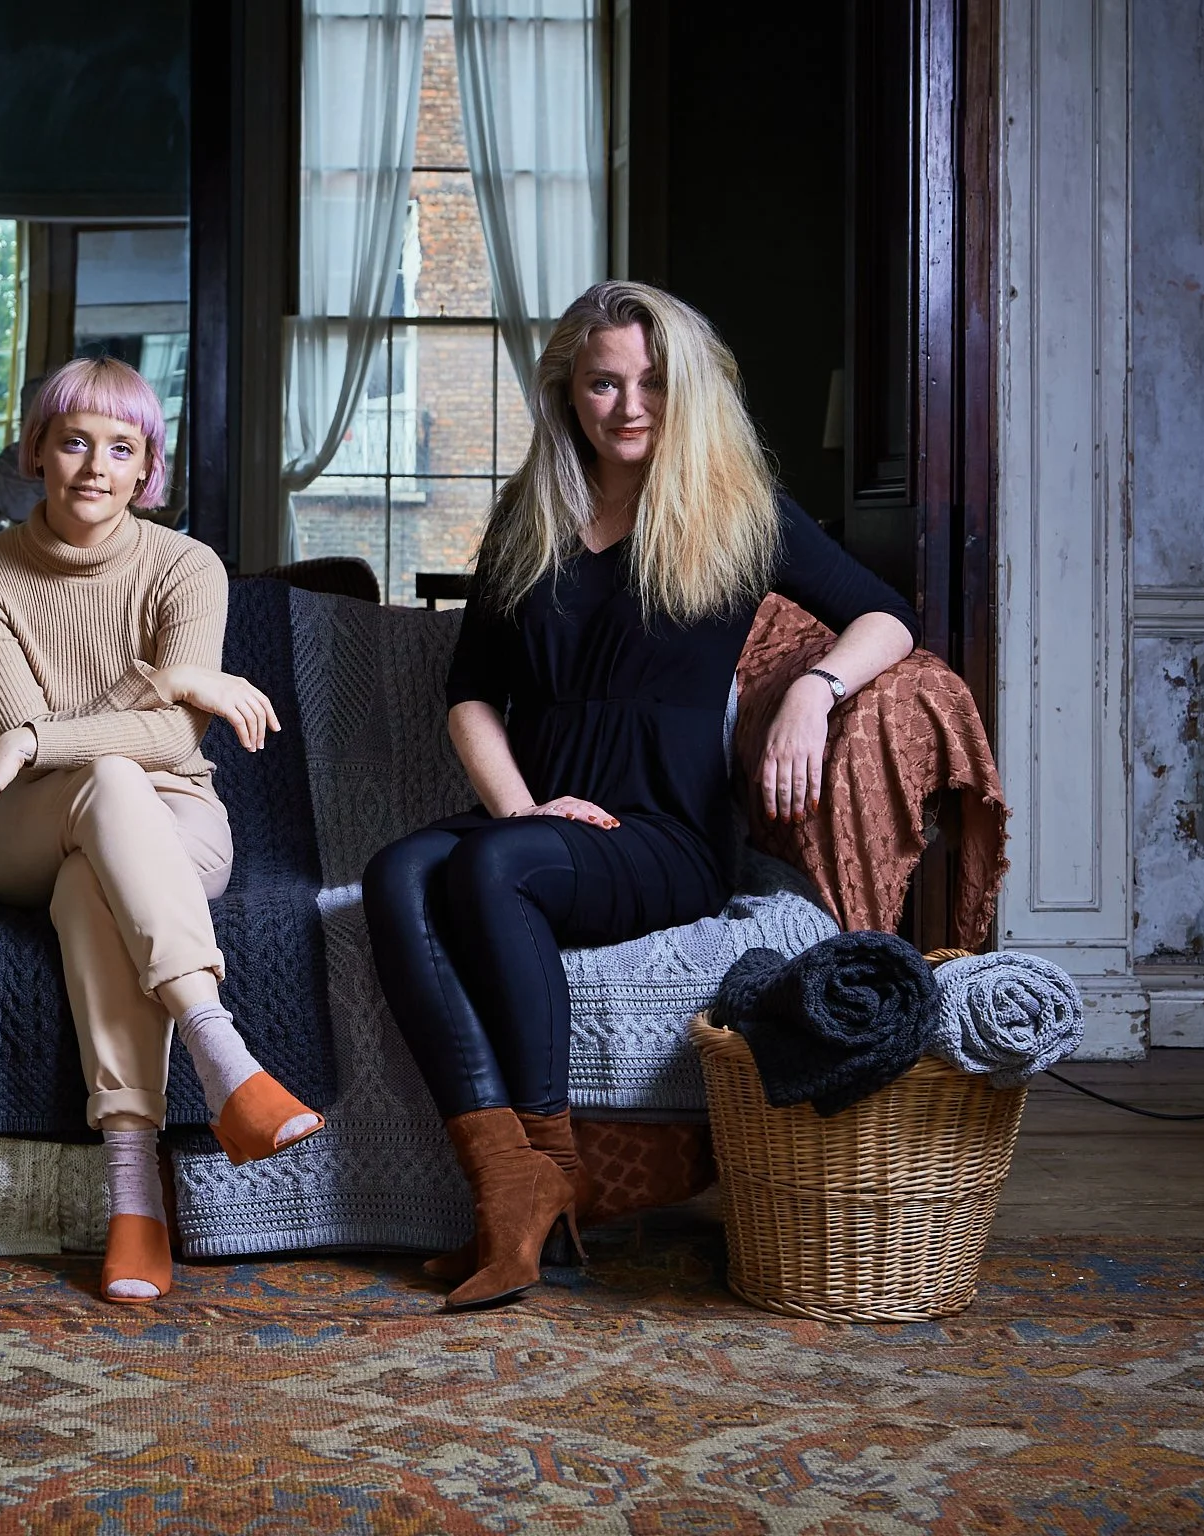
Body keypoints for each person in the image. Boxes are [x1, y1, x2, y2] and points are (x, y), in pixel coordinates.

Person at [362, 282, 917, 1309]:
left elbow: (887, 616)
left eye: (652, 382)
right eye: (602, 383)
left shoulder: (738, 515)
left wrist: (812, 688)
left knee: (489, 864)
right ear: (566, 393)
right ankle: (514, 1185)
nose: (627, 406)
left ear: (689, 389)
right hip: (544, 826)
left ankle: (545, 1171)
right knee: (396, 870)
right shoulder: (530, 521)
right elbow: (471, 695)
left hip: (661, 834)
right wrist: (524, 810)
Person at [0, 355, 325, 1305]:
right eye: (73, 442)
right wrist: (157, 683)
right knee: (104, 778)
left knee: (91, 887)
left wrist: (41, 732)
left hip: (177, 818)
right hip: (17, 827)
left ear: (149, 466)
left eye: (122, 447)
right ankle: (221, 1051)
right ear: (35, 451)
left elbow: (170, 739)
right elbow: (62, 743)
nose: (95, 467)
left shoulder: (187, 566)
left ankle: (134, 1201)